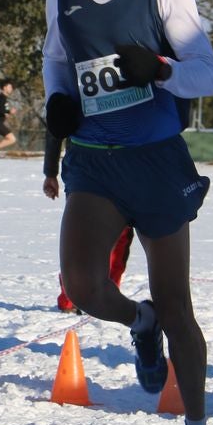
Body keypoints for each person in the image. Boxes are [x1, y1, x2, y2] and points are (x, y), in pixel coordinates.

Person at [41, 0, 213, 425]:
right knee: (84, 287)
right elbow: (57, 62)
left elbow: (209, 73)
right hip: (94, 160)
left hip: (154, 162)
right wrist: (58, 101)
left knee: (179, 307)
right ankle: (137, 322)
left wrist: (164, 71)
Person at [43, 130, 134, 312]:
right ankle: (88, 296)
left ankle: (87, 295)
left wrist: (50, 173)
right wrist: (50, 173)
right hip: (96, 167)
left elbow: (55, 127)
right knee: (108, 235)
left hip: (92, 167)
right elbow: (56, 125)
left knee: (87, 235)